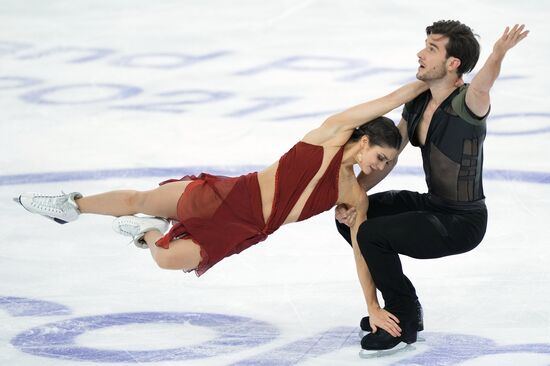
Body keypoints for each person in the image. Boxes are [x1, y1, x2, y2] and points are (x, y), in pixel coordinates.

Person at [15, 81, 427, 320]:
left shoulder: (352, 193)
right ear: (366, 139)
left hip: (245, 228)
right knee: (142, 197)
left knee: (166, 259)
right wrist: (432, 82)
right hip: (231, 193)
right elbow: (390, 99)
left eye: (386, 163)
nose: (378, 167)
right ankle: (71, 206)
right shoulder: (331, 134)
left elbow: (360, 250)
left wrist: (372, 305)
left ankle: (147, 232)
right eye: (380, 157)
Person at [335, 21, 529, 351]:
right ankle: (401, 309)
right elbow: (390, 157)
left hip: (462, 222)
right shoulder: (419, 103)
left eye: (431, 49)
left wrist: (497, 54)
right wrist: (356, 194)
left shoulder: (468, 104)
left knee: (370, 234)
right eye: (425, 45)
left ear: (453, 63)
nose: (420, 54)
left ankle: (403, 318)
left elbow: (482, 86)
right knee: (356, 220)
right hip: (433, 204)